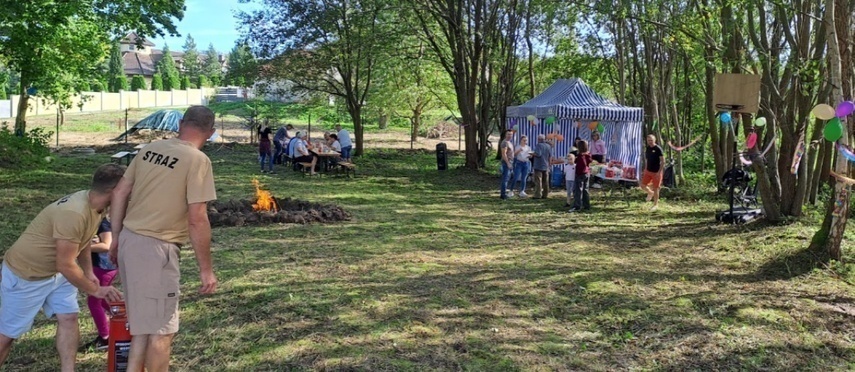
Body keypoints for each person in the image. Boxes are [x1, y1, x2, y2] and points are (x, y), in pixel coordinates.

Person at [109, 105, 218, 372]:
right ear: (211, 132)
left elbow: (120, 192)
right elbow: (197, 217)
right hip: (156, 251)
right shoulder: (198, 160)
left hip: (129, 241)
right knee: (161, 332)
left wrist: (115, 238)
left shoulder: (150, 149)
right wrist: (206, 270)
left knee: (143, 329)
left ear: (181, 123)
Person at [0, 164, 125, 371]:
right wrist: (95, 289)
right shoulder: (74, 212)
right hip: (27, 274)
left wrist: (88, 272)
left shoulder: (96, 206)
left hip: (57, 274)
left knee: (69, 317)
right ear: (115, 191)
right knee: (7, 335)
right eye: (127, 188)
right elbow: (65, 263)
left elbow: (83, 240)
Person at [79, 217, 117, 352]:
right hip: (100, 266)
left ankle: (105, 337)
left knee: (94, 301)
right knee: (102, 300)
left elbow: (107, 245)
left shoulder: (103, 223)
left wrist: (83, 246)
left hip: (105, 267)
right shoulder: (93, 222)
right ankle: (124, 318)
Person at [640, 134, 665, 210]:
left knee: (656, 188)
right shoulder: (648, 148)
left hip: (656, 172)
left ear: (655, 140)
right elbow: (647, 160)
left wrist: (659, 172)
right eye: (648, 140)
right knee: (642, 185)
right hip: (648, 171)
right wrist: (645, 168)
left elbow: (663, 161)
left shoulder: (658, 149)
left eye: (651, 140)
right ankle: (650, 192)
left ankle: (655, 204)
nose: (650, 142)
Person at [570, 140, 592, 212]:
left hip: (580, 174)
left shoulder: (580, 156)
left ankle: (577, 206)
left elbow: (580, 164)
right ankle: (586, 205)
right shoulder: (588, 154)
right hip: (587, 173)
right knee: (585, 189)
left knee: (578, 190)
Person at [532, 134, 553, 199]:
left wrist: (532, 153)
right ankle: (545, 194)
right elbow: (550, 156)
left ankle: (538, 195)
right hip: (546, 165)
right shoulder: (548, 146)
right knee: (546, 181)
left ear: (539, 139)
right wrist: (549, 164)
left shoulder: (538, 145)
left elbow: (538, 154)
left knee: (538, 181)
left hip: (538, 165)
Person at [499, 129, 515, 200]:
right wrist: (508, 163)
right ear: (505, 135)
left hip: (511, 162)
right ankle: (503, 195)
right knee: (505, 179)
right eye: (508, 134)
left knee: (510, 178)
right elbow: (503, 154)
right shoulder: (504, 143)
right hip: (506, 163)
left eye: (511, 134)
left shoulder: (509, 142)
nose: (510, 136)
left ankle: (506, 192)